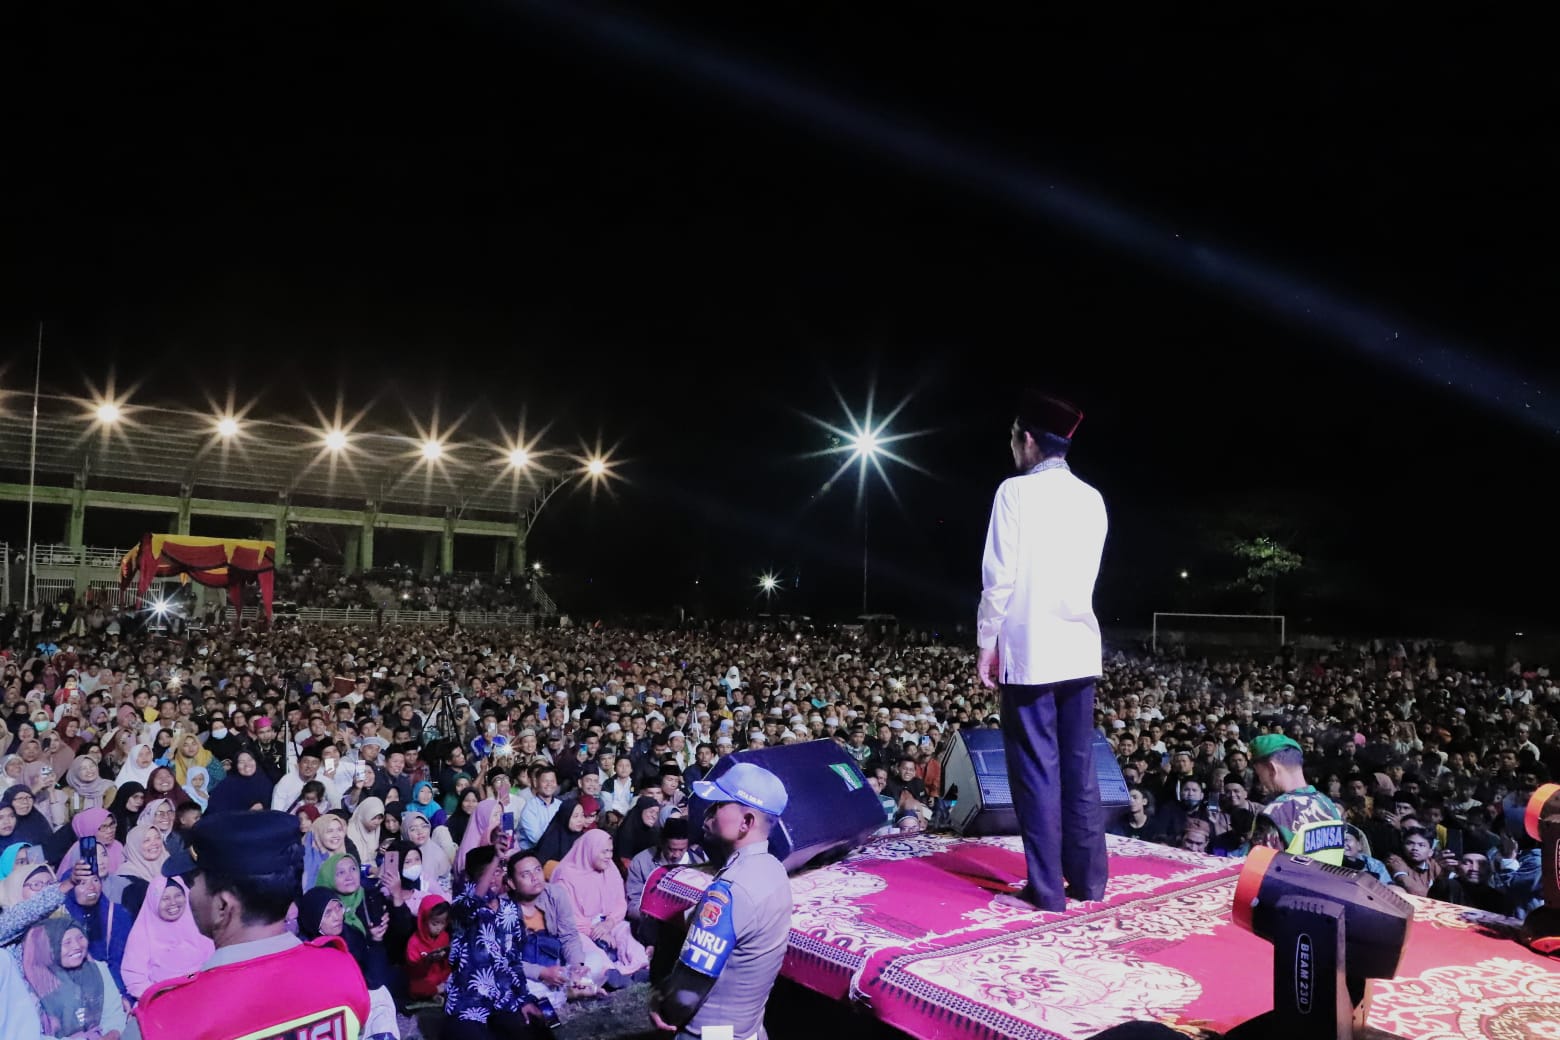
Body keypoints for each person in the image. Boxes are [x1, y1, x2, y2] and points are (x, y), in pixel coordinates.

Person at [975, 391, 1108, 911]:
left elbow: (999, 577)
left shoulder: (1014, 493)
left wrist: (988, 641)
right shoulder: (1092, 497)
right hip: (1078, 644)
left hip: (1030, 648)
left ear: (1028, 440)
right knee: (1079, 768)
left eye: (1013, 437)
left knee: (1035, 770)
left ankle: (1047, 891)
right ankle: (1090, 882)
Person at [121, 810, 370, 1040]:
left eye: (191, 880)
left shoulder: (163, 1020)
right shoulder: (341, 970)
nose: (188, 892)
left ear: (222, 906)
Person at [651, 762, 792, 1040]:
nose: (707, 813)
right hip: (747, 1029)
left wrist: (661, 1005)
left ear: (746, 822)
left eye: (718, 806)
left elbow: (687, 992)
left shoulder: (729, 890)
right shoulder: (775, 870)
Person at [1248, 734, 1346, 865]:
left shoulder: (1275, 814)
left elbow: (1258, 872)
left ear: (1272, 769)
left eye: (1259, 774)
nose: (1261, 781)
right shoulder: (1329, 805)